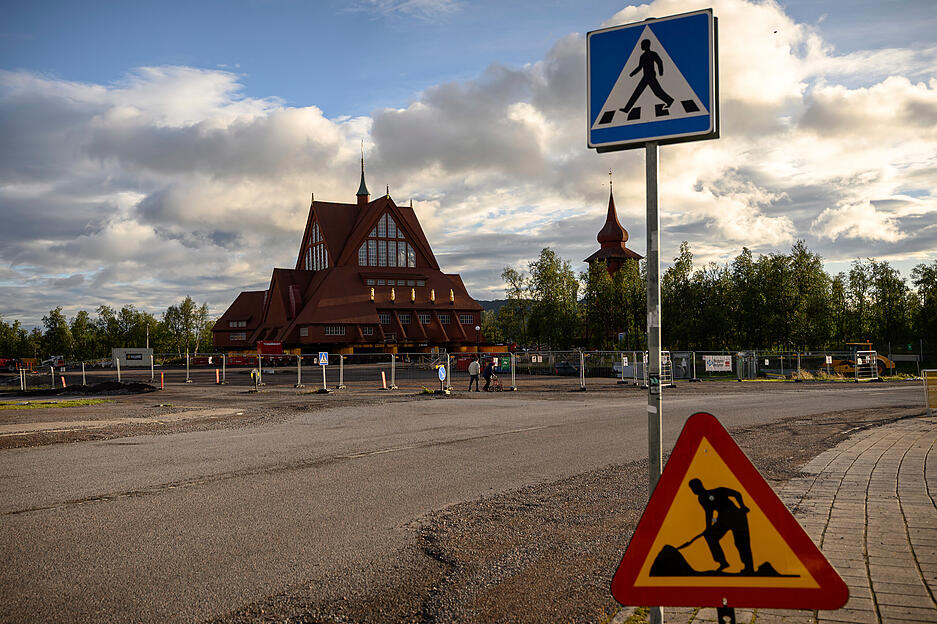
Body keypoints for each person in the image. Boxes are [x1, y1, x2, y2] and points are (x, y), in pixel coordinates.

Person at [688, 478, 755, 573]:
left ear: (698, 486)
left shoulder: (715, 492)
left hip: (734, 516)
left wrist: (742, 506)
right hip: (724, 518)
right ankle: (724, 562)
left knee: (741, 542)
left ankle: (748, 567)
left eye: (693, 488)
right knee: (711, 536)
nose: (693, 490)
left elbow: (709, 513)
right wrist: (710, 526)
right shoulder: (707, 495)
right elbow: (711, 513)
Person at [622, 39, 674, 114]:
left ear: (646, 45)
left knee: (656, 92)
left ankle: (670, 100)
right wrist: (632, 73)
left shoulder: (653, 54)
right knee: (639, 92)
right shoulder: (642, 56)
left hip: (651, 76)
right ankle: (626, 109)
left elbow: (659, 62)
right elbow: (640, 67)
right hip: (646, 76)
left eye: (642, 45)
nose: (641, 46)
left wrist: (661, 72)